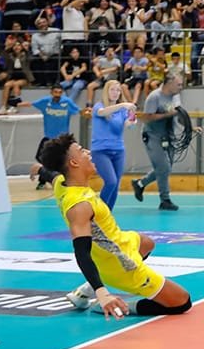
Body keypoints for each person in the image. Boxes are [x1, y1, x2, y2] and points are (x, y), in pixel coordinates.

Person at [40, 134, 192, 318]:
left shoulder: (61, 183)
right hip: (120, 264)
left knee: (147, 243)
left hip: (120, 241)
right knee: (182, 302)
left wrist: (38, 168)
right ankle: (120, 306)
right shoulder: (80, 205)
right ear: (74, 163)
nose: (88, 152)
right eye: (81, 151)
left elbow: (49, 173)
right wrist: (102, 292)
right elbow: (82, 253)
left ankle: (83, 292)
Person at [132, 75, 188, 211]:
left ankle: (140, 184)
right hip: (153, 135)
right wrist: (167, 115)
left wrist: (189, 127)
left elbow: (178, 114)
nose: (181, 87)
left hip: (168, 135)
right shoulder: (154, 97)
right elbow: (147, 117)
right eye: (178, 84)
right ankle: (165, 200)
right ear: (169, 83)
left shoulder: (175, 97)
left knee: (165, 168)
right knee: (163, 167)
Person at [20, 85, 82, 190]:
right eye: (55, 92)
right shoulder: (45, 102)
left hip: (62, 140)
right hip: (49, 138)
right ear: (51, 92)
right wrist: (16, 104)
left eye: (60, 92)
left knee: (63, 160)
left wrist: (90, 112)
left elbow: (79, 111)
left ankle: (64, 181)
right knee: (41, 158)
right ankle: (43, 180)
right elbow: (31, 104)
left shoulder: (67, 102)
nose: (57, 94)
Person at [91, 81, 138, 210]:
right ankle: (99, 212)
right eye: (112, 90)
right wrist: (123, 104)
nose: (115, 93)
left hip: (118, 151)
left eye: (118, 90)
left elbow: (128, 124)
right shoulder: (99, 106)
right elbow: (102, 112)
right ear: (106, 91)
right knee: (111, 181)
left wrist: (132, 117)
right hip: (101, 151)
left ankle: (107, 214)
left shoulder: (122, 111)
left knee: (116, 185)